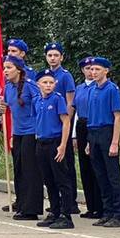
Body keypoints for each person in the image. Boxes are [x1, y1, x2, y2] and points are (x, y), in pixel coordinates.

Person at [82, 57, 120, 228]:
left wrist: (115, 141)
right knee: (100, 175)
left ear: (106, 71)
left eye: (97, 69)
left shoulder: (111, 89)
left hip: (107, 132)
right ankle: (107, 212)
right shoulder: (92, 89)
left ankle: (118, 214)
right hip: (93, 133)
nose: (93, 73)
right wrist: (88, 141)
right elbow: (90, 117)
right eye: (91, 69)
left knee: (113, 175)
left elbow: (118, 117)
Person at [0, 56, 41, 220]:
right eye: (4, 68)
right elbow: (9, 109)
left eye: (9, 67)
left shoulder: (31, 86)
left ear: (18, 69)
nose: (5, 71)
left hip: (31, 132)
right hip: (17, 133)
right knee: (19, 169)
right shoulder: (8, 87)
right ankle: (22, 204)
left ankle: (32, 208)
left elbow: (40, 107)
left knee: (30, 170)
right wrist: (2, 107)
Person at [32, 69, 73, 229]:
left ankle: (66, 214)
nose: (48, 85)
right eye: (45, 82)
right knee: (48, 180)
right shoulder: (37, 100)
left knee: (61, 179)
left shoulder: (57, 99)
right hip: (41, 142)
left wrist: (62, 145)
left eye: (51, 82)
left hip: (55, 142)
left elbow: (66, 121)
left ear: (55, 84)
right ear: (38, 84)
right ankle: (54, 211)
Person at [43, 43, 80, 216]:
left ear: (61, 57)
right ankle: (56, 202)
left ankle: (70, 202)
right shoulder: (45, 76)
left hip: (63, 122)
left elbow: (70, 102)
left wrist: (67, 122)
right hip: (50, 125)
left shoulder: (65, 76)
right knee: (52, 167)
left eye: (56, 55)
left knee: (66, 164)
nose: (52, 58)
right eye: (50, 55)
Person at [73, 57, 103, 219]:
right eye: (87, 69)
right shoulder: (80, 88)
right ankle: (91, 206)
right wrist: (74, 135)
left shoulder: (99, 87)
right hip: (82, 125)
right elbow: (75, 112)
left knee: (96, 166)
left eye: (94, 68)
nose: (91, 72)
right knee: (85, 168)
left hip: (94, 124)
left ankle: (100, 205)